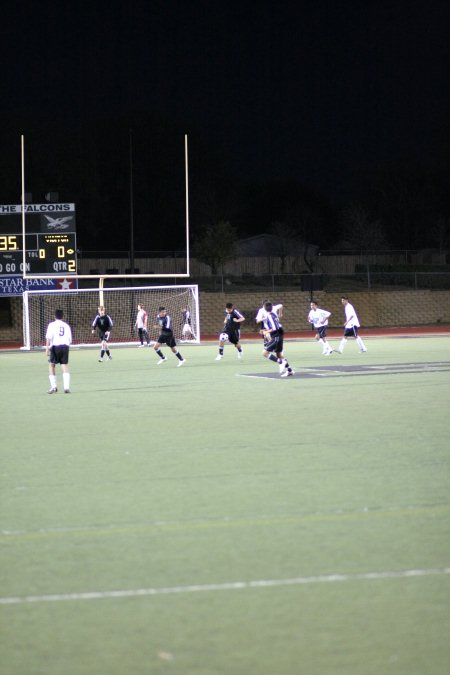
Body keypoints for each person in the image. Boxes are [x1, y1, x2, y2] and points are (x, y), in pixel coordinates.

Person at [262, 302, 294, 377]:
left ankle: (280, 362)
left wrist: (266, 331)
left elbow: (274, 328)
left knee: (264, 353)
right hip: (279, 335)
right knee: (279, 354)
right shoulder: (273, 314)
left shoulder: (269, 316)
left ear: (264, 308)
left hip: (276, 336)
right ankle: (290, 370)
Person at [45, 308, 72, 394]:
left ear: (54, 316)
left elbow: (49, 337)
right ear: (62, 317)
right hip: (65, 347)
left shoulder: (51, 325)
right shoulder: (66, 326)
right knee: (64, 365)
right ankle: (66, 387)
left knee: (52, 365)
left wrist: (47, 348)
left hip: (55, 347)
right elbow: (70, 339)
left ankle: (54, 387)